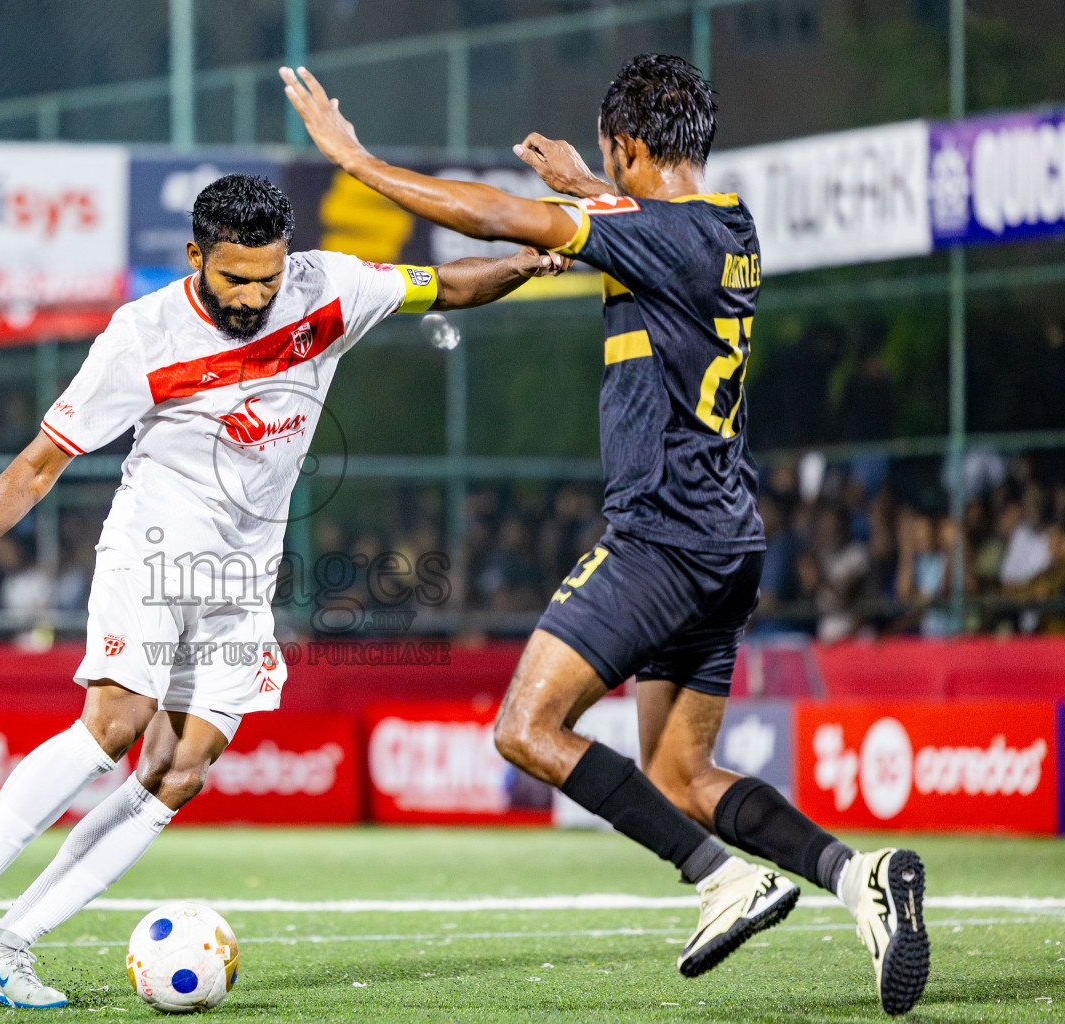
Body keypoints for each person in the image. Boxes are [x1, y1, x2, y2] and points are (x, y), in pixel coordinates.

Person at [283, 53, 928, 1016]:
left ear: (628, 146)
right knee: (681, 772)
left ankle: (721, 879)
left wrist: (357, 161)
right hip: (728, 542)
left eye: (609, 158)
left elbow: (497, 217)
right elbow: (652, 228)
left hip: (661, 541)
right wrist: (588, 189)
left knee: (527, 728)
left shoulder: (652, 234)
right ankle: (855, 877)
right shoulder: (730, 224)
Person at [0, 173, 565, 1009]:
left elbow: (447, 286)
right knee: (115, 724)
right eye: (234, 277)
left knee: (180, 767)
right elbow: (37, 468)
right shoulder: (144, 335)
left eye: (267, 277)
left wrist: (531, 261)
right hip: (154, 548)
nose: (253, 295)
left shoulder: (330, 288)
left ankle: (9, 942)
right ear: (194, 255)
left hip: (243, 579)